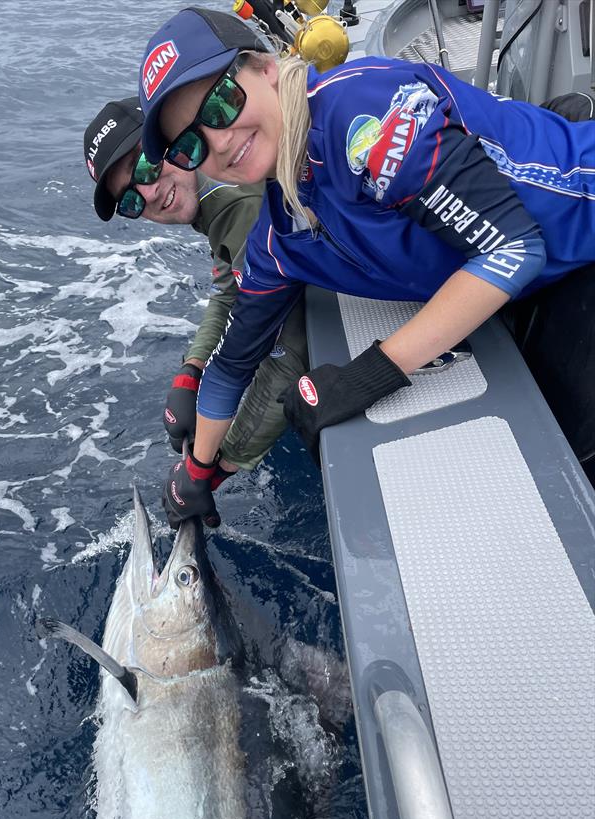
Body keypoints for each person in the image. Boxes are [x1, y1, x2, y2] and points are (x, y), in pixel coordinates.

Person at [137, 6, 595, 525]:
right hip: (548, 276)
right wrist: (199, 473)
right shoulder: (279, 234)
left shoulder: (361, 114)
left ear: (265, 67)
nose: (218, 140)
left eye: (221, 102)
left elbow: (512, 249)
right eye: (193, 143)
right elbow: (236, 361)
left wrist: (362, 379)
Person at [83, 95, 309, 506]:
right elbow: (232, 288)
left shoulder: (232, 201)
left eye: (147, 167)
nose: (149, 195)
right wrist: (192, 370)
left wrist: (212, 469)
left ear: (168, 137)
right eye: (131, 201)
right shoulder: (208, 189)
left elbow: (289, 351)